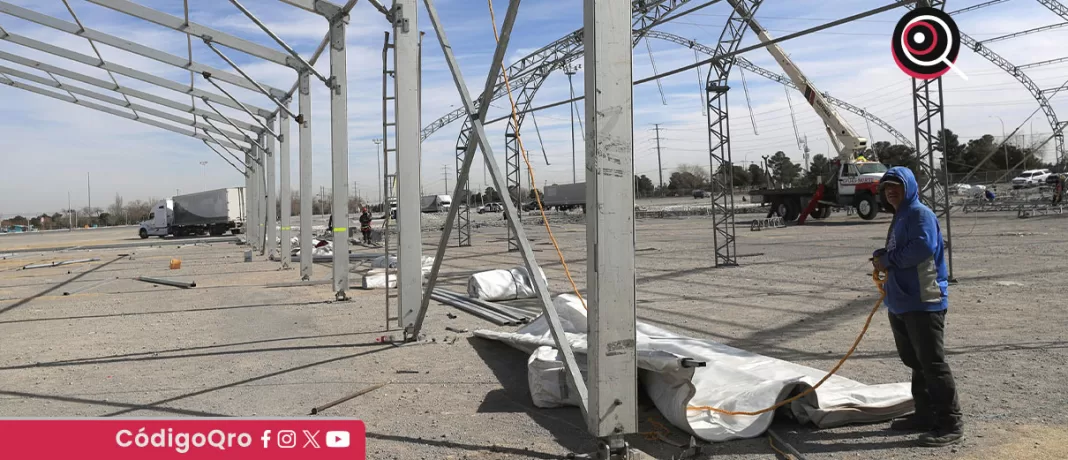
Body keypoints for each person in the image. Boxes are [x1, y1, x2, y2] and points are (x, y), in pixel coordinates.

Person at [873, 166, 963, 447]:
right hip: (902, 300)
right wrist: (883, 256)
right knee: (916, 362)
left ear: (909, 187)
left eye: (896, 185)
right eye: (886, 187)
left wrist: (889, 259)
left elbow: (922, 248)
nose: (890, 191)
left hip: (923, 301)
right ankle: (925, 414)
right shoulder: (900, 215)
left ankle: (950, 422)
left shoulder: (919, 214)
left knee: (932, 363)